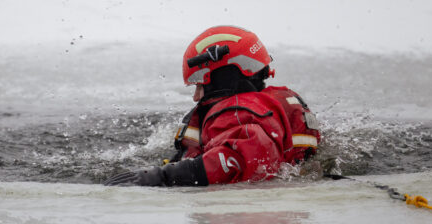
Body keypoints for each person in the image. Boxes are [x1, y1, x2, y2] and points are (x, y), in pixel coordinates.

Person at [104, 25, 321, 186]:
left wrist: (163, 176)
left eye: (200, 85)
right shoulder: (274, 105)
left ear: (225, 79)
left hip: (243, 218)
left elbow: (250, 153)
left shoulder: (238, 113)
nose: (196, 97)